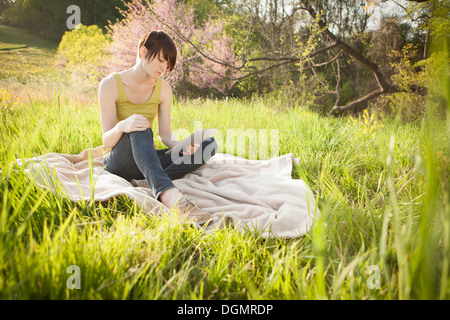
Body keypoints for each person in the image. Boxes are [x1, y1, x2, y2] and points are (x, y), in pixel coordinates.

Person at [98, 30, 217, 224]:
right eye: (161, 60)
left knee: (209, 144)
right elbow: (107, 139)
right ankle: (170, 196)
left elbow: (165, 134)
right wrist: (123, 126)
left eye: (168, 64)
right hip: (120, 161)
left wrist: (181, 147)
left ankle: (146, 181)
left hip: (147, 157)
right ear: (144, 52)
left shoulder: (164, 89)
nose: (164, 68)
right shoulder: (110, 84)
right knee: (140, 124)